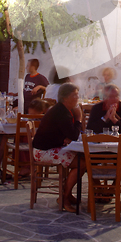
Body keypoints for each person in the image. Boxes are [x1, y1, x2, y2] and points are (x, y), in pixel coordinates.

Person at [32, 83, 84, 213]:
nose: (77, 97)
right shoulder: (61, 112)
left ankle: (67, 193)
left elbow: (69, 135)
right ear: (65, 98)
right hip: (43, 151)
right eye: (74, 95)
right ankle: (64, 197)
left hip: (50, 147)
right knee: (82, 164)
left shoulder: (62, 110)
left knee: (82, 160)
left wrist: (66, 137)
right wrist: (79, 119)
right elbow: (73, 135)